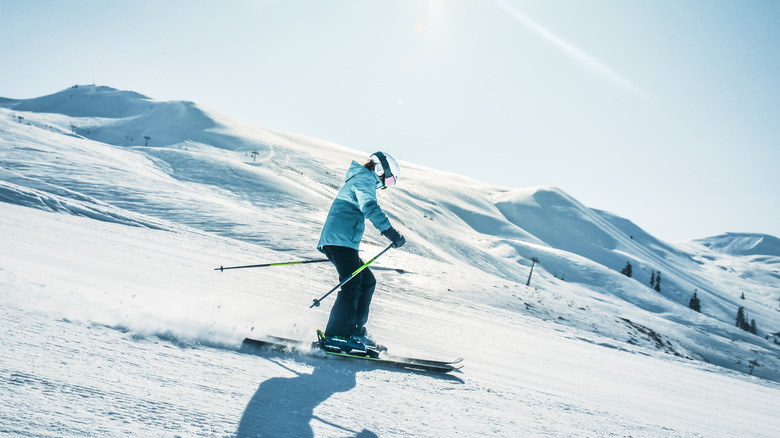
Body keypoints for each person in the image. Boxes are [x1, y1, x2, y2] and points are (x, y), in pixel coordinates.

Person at [317, 151, 405, 352]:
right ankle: (337, 335)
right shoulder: (364, 178)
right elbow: (370, 207)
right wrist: (390, 232)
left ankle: (355, 332)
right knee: (353, 284)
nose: (386, 185)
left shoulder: (362, 178)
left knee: (366, 281)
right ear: (382, 170)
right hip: (340, 240)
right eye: (389, 180)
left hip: (344, 241)